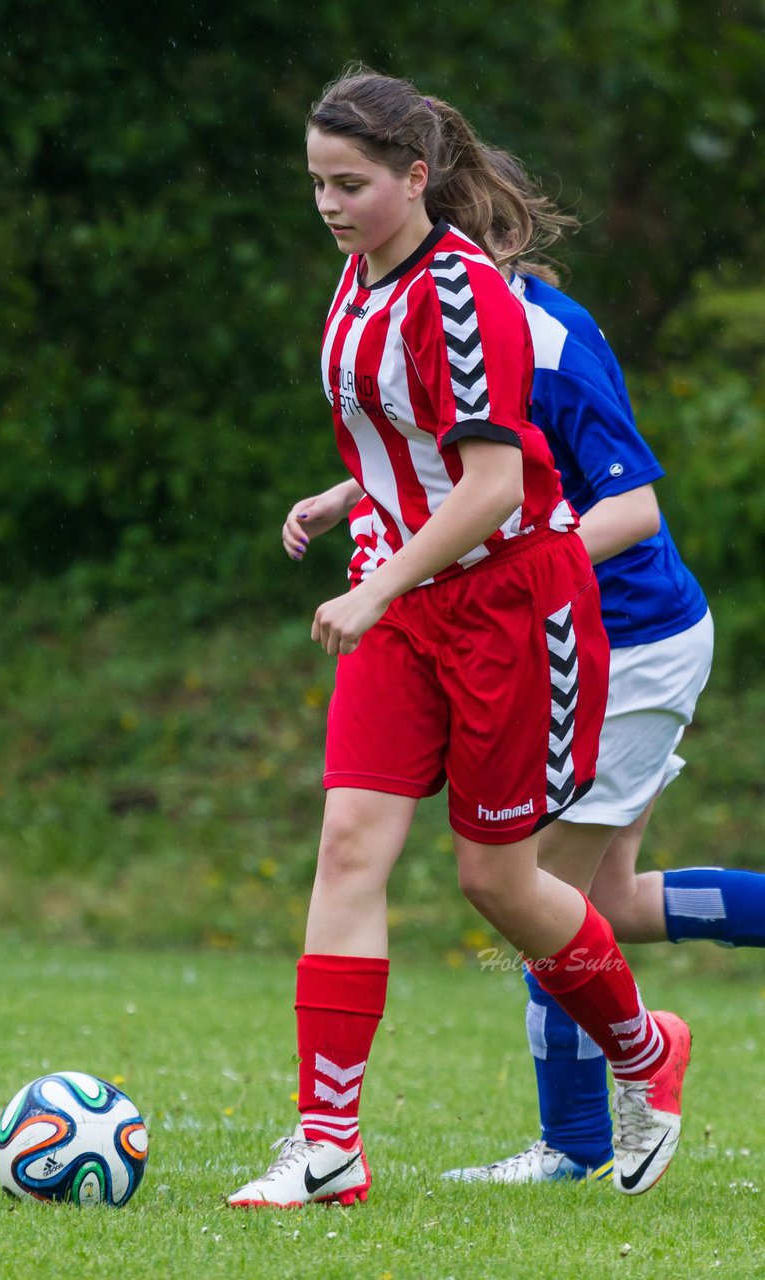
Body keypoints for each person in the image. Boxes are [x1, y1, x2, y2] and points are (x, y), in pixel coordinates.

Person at [227, 67, 691, 1209]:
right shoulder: (356, 278)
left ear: (415, 175)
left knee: (495, 879)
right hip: (406, 605)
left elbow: (490, 487)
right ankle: (327, 1145)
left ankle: (643, 1048)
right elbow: (412, 428)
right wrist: (350, 494)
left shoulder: (465, 294)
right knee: (348, 845)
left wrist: (377, 581)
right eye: (316, 183)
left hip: (505, 611)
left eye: (351, 184)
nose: (329, 205)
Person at [433, 147, 765, 1185]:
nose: (451, 267)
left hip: (630, 644)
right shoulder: (438, 329)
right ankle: (576, 1133)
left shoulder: (548, 340)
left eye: (468, 240)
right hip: (577, 645)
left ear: (510, 238)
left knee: (537, 896)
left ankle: (573, 1144)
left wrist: (519, 574)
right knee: (607, 903)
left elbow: (630, 507)